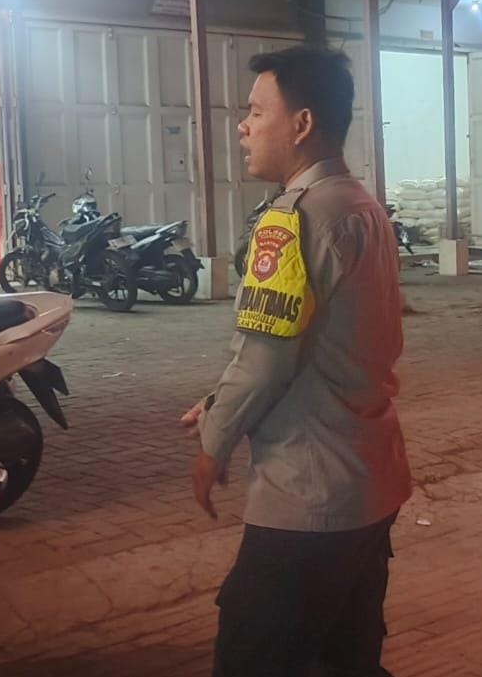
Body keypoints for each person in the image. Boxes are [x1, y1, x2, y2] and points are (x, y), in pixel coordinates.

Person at [182, 45, 412, 677]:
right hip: (372, 485)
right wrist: (217, 401)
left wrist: (214, 442)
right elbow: (324, 345)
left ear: (302, 123)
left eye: (257, 111)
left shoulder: (293, 221)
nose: (243, 126)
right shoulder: (363, 207)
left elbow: (264, 359)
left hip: (307, 502)